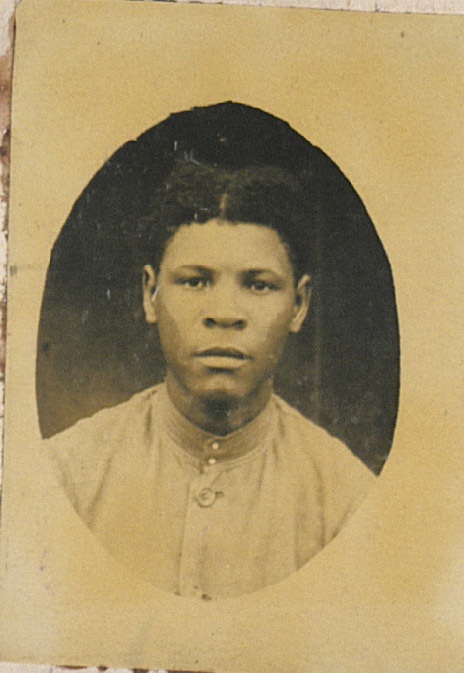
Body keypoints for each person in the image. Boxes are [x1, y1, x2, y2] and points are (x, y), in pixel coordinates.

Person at [45, 151, 376, 600]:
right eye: (195, 281)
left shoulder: (347, 501)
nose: (224, 314)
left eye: (258, 284)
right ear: (150, 293)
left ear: (299, 305)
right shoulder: (68, 474)